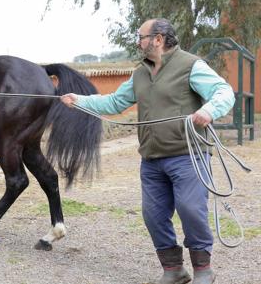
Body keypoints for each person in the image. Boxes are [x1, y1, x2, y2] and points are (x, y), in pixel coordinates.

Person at [61, 18, 234, 284]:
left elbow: (224, 91)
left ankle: (203, 270)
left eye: (141, 36)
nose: (138, 41)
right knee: (152, 215)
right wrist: (80, 100)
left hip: (188, 155)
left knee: (190, 209)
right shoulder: (140, 73)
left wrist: (208, 111)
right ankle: (174, 270)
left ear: (158, 38)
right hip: (152, 159)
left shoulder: (190, 65)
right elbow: (115, 101)